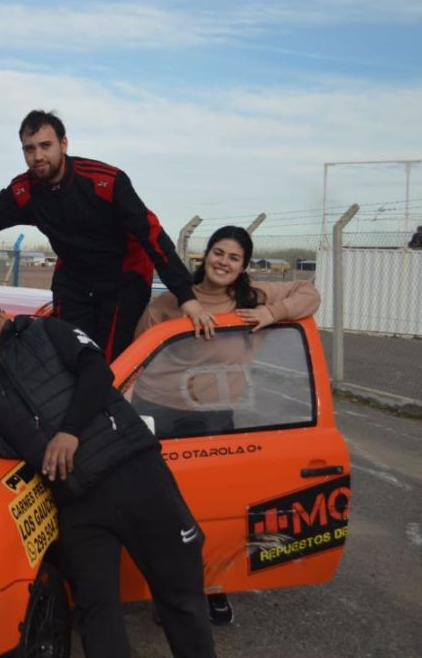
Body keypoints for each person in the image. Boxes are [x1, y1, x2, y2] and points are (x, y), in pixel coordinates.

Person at [0, 289, 217, 658]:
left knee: (180, 595)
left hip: (133, 474)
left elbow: (97, 371)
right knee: (95, 613)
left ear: (1, 316)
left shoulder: (47, 332)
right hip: (76, 504)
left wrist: (69, 431)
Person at [134, 224, 321, 627]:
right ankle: (171, 593)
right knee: (166, 515)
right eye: (218, 252)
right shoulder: (171, 302)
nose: (223, 262)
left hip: (216, 418)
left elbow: (309, 293)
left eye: (234, 257)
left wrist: (273, 313)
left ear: (243, 265)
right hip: (160, 413)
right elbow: (137, 362)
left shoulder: (253, 297)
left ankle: (213, 586)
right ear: (205, 256)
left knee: (214, 509)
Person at [0, 109, 213, 361]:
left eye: (45, 145)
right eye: (29, 149)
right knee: (70, 354)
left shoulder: (106, 181)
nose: (38, 156)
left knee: (109, 362)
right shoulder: (23, 191)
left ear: (64, 144)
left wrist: (185, 296)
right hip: (75, 277)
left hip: (124, 276)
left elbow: (152, 236)